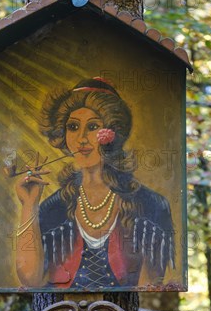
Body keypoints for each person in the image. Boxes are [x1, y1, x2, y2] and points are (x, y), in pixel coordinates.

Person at [15, 77, 175, 290]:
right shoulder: (52, 208)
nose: (81, 138)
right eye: (72, 127)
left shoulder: (151, 205)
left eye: (92, 127)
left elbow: (150, 283)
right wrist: (29, 204)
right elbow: (30, 279)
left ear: (113, 135)